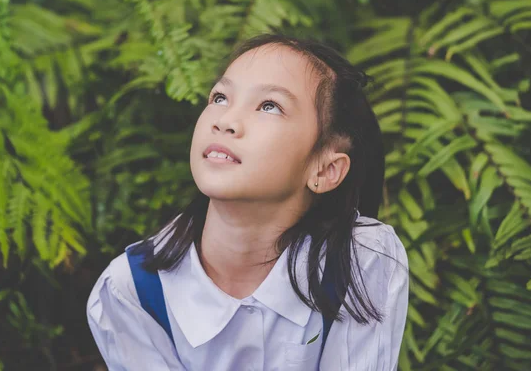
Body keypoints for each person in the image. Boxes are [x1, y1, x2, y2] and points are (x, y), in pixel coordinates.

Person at [86, 34, 409, 371]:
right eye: (220, 97)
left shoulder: (361, 260)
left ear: (325, 170)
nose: (225, 121)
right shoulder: (132, 291)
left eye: (269, 106)